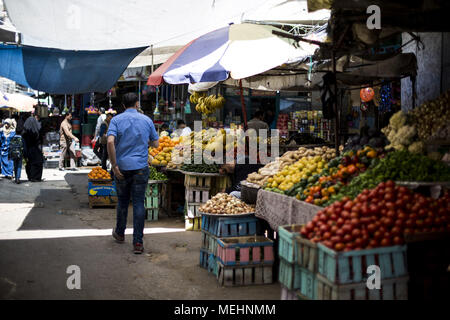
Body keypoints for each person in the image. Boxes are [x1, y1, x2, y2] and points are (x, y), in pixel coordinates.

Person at [107, 92, 159, 254]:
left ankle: (120, 234)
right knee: (138, 203)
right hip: (140, 168)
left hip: (122, 167)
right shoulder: (146, 120)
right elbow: (156, 144)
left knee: (122, 202)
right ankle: (138, 243)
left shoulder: (116, 120)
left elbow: (109, 141)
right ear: (137, 104)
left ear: (123, 105)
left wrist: (114, 165)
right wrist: (144, 142)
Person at [22, 113, 44, 182]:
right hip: (35, 148)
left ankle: (30, 176)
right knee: (37, 162)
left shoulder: (24, 132)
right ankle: (35, 177)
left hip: (28, 150)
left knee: (29, 162)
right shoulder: (35, 132)